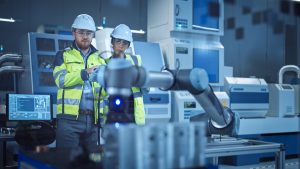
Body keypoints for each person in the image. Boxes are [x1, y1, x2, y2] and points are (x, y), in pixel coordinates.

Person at [53, 14, 106, 152]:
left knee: (90, 164)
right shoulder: (63, 55)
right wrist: (85, 73)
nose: (85, 36)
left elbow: (103, 92)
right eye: (81, 32)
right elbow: (61, 80)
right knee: (66, 162)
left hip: (93, 121)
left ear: (93, 35)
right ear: (73, 33)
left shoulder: (100, 59)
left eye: (89, 33)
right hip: (69, 122)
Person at [104, 24, 146, 125]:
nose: (121, 45)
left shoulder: (136, 61)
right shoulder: (104, 63)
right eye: (118, 41)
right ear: (112, 42)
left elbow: (146, 89)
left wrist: (139, 79)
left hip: (133, 115)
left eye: (125, 42)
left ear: (128, 45)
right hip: (112, 112)